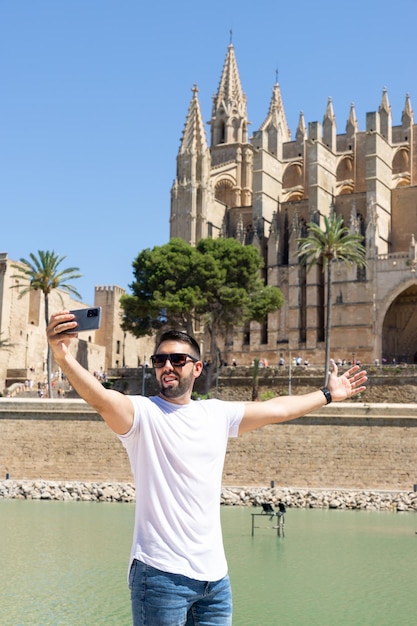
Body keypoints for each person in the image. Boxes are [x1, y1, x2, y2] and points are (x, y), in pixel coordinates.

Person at [46, 312, 367, 626]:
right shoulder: (142, 415)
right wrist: (63, 357)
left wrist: (327, 394)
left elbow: (277, 409)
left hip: (215, 583)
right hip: (159, 577)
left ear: (198, 368)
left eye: (177, 360)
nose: (167, 367)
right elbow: (101, 399)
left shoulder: (217, 414)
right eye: (159, 360)